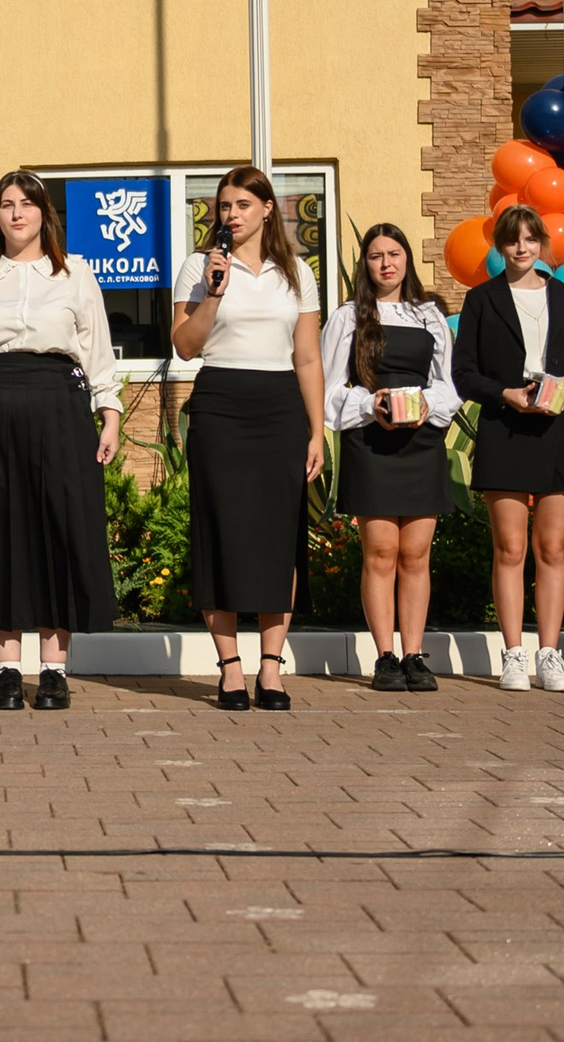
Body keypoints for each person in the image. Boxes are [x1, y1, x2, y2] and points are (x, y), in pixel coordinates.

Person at [0, 171, 121, 711]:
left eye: (26, 204)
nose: (16, 213)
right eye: (6, 205)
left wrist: (109, 416)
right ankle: (8, 671)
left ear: (44, 213)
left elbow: (98, 353)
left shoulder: (76, 275)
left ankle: (55, 671)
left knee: (61, 532)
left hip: (60, 406)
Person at [171, 165, 321, 712]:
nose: (231, 214)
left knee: (279, 538)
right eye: (224, 205)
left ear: (266, 209)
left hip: (281, 408)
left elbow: (307, 357)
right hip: (220, 404)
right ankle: (230, 669)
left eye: (242, 204)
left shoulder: (296, 272)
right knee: (221, 534)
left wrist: (317, 430)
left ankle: (271, 670)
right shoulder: (198, 267)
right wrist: (213, 294)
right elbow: (185, 346)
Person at [453, 206, 564, 693]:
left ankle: (549, 654)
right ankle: (514, 655)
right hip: (505, 429)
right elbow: (464, 373)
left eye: (531, 239)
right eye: (513, 239)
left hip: (559, 431)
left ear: (542, 244)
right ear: (500, 245)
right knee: (510, 549)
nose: (522, 248)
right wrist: (504, 394)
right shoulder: (481, 299)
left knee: (552, 549)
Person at [320, 221, 457, 693]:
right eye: (376, 255)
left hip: (421, 442)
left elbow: (450, 383)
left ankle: (414, 655)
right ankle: (384, 657)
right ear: (365, 263)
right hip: (371, 442)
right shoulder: (348, 317)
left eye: (394, 254)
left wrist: (427, 406)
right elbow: (328, 388)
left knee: (416, 555)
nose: (386, 263)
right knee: (380, 553)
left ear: (406, 260)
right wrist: (369, 405)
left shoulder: (429, 315)